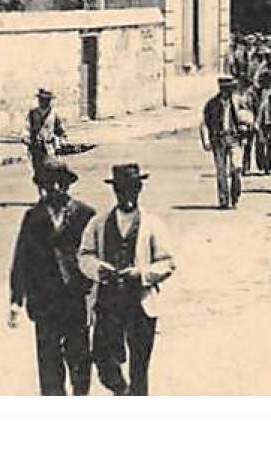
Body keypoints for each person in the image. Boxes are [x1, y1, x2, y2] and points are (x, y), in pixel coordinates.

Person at [78, 163, 175, 396]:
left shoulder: (152, 224)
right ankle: (122, 391)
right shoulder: (99, 223)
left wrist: (141, 274)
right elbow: (84, 255)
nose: (126, 195)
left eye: (131, 189)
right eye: (121, 190)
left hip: (140, 304)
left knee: (139, 368)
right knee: (102, 359)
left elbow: (167, 262)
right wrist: (99, 269)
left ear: (139, 189)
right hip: (108, 302)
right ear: (115, 191)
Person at [8, 160, 96, 396]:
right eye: (49, 184)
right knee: (48, 362)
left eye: (60, 183)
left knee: (79, 357)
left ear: (68, 186)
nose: (55, 188)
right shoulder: (33, 217)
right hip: (44, 300)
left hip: (75, 297)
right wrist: (16, 300)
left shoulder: (85, 215)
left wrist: (97, 296)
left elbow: (95, 258)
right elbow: (21, 260)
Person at [200, 75, 251, 209]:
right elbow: (204, 123)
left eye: (230, 89)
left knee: (236, 169)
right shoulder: (212, 104)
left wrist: (245, 127)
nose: (227, 92)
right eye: (225, 89)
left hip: (234, 138)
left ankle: (235, 195)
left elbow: (249, 117)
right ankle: (223, 199)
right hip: (219, 139)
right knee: (221, 171)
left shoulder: (238, 102)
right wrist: (206, 140)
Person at [26, 89, 67, 176]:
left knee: (51, 168)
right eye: (41, 99)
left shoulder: (54, 114)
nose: (43, 102)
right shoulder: (33, 113)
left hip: (50, 146)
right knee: (38, 170)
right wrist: (26, 137)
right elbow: (27, 127)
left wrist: (62, 140)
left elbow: (60, 130)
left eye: (46, 100)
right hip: (36, 146)